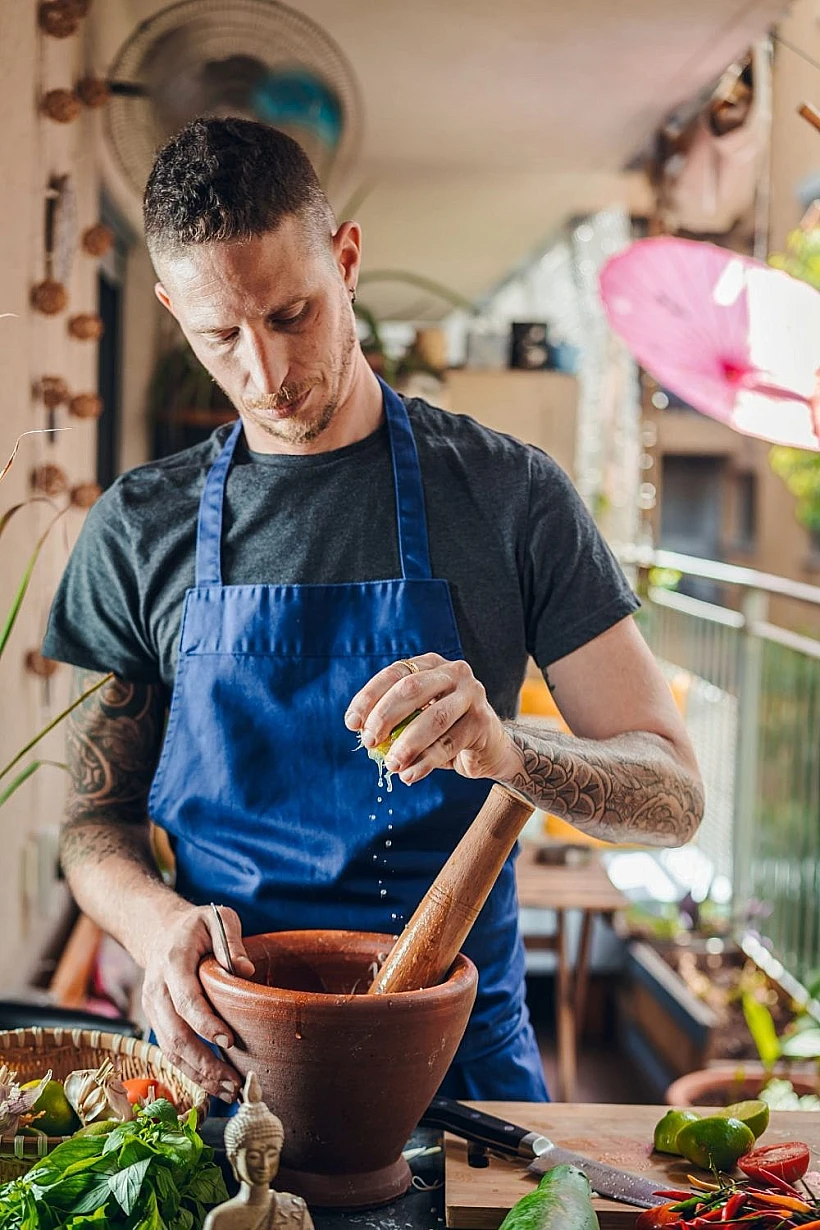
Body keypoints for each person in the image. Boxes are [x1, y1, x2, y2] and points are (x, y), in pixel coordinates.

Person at [43, 117, 704, 1108]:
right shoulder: (140, 526)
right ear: (170, 307)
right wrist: (151, 927)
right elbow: (95, 821)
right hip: (221, 1067)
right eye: (219, 335)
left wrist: (511, 749)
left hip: (458, 1068)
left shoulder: (508, 495)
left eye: (291, 314)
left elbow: (674, 796)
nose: (264, 374)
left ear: (345, 260)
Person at [204, 1072, 314, 1230]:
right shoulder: (221, 1220)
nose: (264, 1164)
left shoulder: (294, 1210)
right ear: (234, 1159)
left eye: (271, 1154)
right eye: (254, 1156)